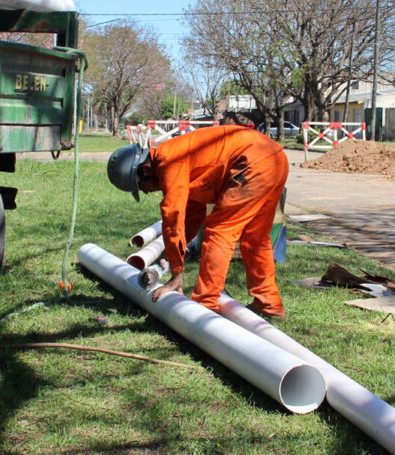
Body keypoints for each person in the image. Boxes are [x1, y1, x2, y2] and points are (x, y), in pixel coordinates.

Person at [107, 112, 289, 319]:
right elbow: (191, 215)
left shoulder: (170, 162)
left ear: (145, 169)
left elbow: (173, 217)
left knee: (220, 231)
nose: (147, 191)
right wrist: (173, 254)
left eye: (142, 187)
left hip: (253, 162)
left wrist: (176, 275)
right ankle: (269, 303)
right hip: (273, 159)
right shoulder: (182, 158)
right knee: (256, 237)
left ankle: (205, 302)